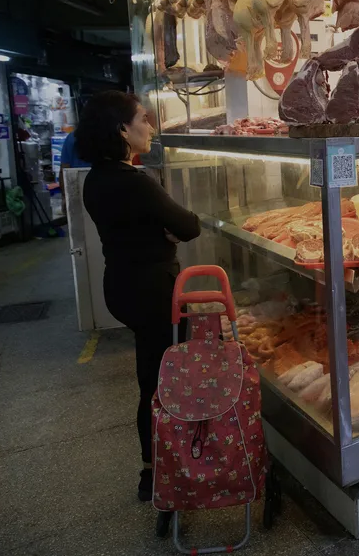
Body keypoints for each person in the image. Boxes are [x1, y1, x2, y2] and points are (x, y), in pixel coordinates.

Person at [75, 91, 201, 502]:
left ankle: (157, 464)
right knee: (159, 381)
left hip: (121, 285)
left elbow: (148, 228)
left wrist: (160, 229)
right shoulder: (136, 183)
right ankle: (163, 469)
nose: (149, 126)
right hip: (152, 290)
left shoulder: (96, 178)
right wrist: (167, 230)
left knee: (150, 374)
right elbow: (188, 226)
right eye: (142, 120)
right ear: (123, 130)